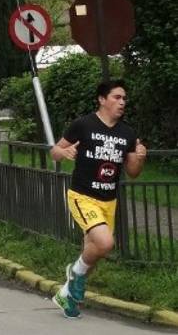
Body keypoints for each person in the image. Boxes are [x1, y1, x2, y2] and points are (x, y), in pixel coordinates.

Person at [50, 81, 146, 319]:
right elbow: (54, 151)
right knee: (104, 243)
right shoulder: (83, 125)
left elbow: (133, 172)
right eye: (116, 97)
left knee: (94, 252)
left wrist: (141, 157)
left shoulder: (128, 133)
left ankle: (66, 296)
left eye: (124, 98)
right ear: (102, 100)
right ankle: (74, 274)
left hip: (108, 200)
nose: (122, 102)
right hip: (83, 196)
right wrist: (64, 152)